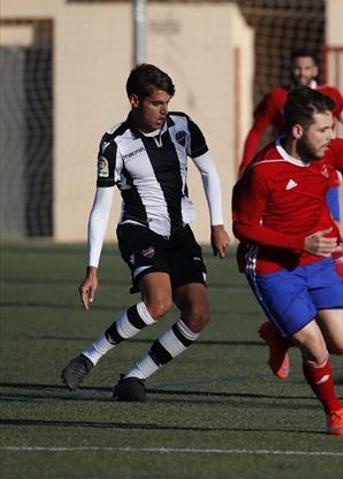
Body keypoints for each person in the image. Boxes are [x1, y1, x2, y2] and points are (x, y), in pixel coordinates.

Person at [60, 64, 231, 401]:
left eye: (167, 102)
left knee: (198, 314)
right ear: (135, 100)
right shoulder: (115, 142)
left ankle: (134, 378)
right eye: (156, 103)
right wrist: (92, 268)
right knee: (159, 303)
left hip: (180, 232)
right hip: (140, 230)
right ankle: (88, 358)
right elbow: (101, 207)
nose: (164, 111)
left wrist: (217, 224)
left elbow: (210, 171)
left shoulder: (183, 127)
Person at [232, 86, 343, 436]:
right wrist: (300, 242)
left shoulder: (332, 150)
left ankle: (278, 334)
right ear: (298, 131)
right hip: (271, 266)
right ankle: (335, 412)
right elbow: (243, 228)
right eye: (324, 130)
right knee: (315, 345)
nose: (333, 137)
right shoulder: (264, 171)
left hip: (316, 260)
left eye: (332, 128)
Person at [239, 48, 343, 293]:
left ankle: (337, 297)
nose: (301, 72)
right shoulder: (277, 98)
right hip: (289, 179)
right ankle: (295, 302)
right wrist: (244, 166)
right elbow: (256, 131)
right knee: (298, 240)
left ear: (315, 69)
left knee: (328, 240)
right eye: (297, 68)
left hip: (325, 180)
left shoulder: (331, 96)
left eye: (306, 68)